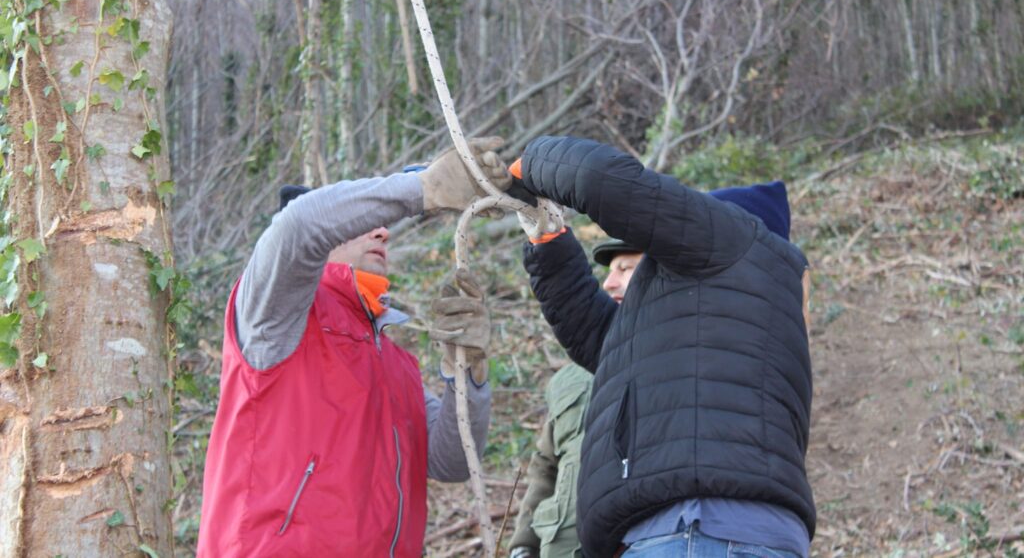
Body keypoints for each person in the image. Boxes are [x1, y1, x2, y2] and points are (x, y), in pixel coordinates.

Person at [197, 139, 509, 557]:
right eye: (364, 223)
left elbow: (449, 460)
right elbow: (299, 226)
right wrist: (423, 187)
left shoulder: (394, 361)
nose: (382, 231)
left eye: (383, 225)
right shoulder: (276, 315)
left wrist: (466, 372)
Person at [509, 136, 814, 558]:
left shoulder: (732, 237)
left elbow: (601, 179)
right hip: (697, 533)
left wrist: (525, 166)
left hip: (697, 530)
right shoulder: (705, 331)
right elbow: (596, 334)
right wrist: (545, 233)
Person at [510, 240, 642, 558]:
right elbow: (545, 468)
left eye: (625, 269)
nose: (609, 282)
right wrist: (523, 545)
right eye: (609, 272)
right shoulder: (566, 379)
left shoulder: (672, 363)